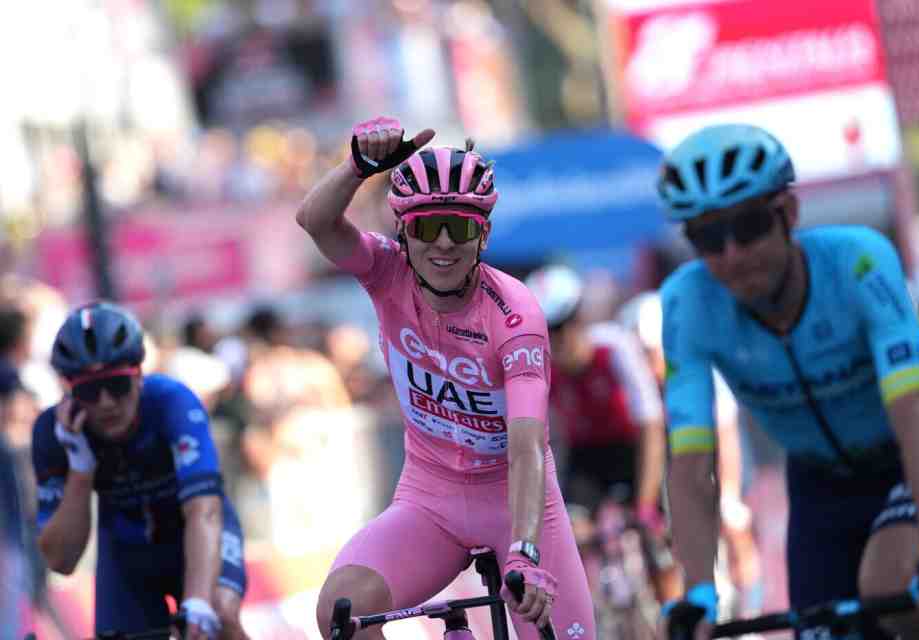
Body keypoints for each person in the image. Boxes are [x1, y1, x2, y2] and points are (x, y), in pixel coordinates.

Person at [298, 116, 595, 640]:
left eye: (457, 227)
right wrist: (357, 168)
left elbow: (528, 444)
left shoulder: (515, 314)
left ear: (482, 233)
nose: (442, 244)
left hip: (516, 503)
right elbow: (316, 222)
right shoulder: (384, 272)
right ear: (402, 232)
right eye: (424, 226)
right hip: (429, 499)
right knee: (340, 610)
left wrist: (525, 551)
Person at [655, 123, 919, 640]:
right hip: (820, 483)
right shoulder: (687, 304)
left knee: (890, 585)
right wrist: (697, 592)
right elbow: (692, 463)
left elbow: (916, 414)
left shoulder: (858, 261)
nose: (733, 254)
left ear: (788, 214)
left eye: (748, 226)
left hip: (912, 456)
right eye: (708, 238)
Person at [31, 302, 250, 639]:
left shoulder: (171, 402)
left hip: (192, 530)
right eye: (89, 390)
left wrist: (197, 602)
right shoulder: (53, 432)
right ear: (68, 389)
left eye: (116, 385)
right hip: (126, 550)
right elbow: (61, 560)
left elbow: (203, 511)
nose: (105, 402)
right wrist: (80, 469)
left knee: (219, 615)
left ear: (138, 374)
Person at [524, 264, 681, 604]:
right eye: (544, 332)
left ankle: (675, 617)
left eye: (562, 328)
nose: (556, 341)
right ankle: (594, 614)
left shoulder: (614, 348)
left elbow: (651, 427)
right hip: (588, 458)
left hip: (636, 449)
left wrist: (644, 505)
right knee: (569, 537)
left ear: (579, 321)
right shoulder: (540, 370)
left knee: (656, 538)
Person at [619, 291, 763, 620]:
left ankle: (751, 610)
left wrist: (727, 494)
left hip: (720, 441)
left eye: (649, 353)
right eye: (639, 355)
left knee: (733, 516)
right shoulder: (637, 382)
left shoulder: (696, 368)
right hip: (675, 449)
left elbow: (726, 434)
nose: (645, 364)